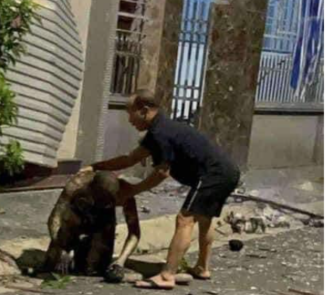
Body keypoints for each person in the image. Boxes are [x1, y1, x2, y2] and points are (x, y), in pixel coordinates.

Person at [81, 89, 240, 290]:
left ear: (144, 110)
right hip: (226, 172)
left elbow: (162, 173)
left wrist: (133, 190)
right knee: (204, 218)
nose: (129, 120)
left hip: (213, 175)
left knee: (184, 220)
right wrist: (95, 166)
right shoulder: (159, 130)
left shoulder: (160, 133)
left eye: (130, 113)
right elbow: (130, 159)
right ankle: (202, 267)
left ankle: (167, 275)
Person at [43, 170, 140, 283]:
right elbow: (55, 218)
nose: (103, 202)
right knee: (55, 263)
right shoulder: (77, 184)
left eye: (107, 200)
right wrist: (60, 246)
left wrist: (120, 261)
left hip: (104, 220)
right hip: (78, 210)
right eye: (101, 198)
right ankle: (59, 255)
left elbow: (134, 232)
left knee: (94, 269)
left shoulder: (125, 194)